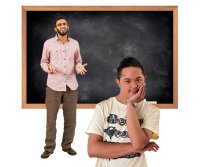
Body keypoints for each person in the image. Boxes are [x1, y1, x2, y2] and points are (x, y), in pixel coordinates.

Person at [86, 57, 160, 167]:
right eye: (127, 81)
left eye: (138, 80)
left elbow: (139, 143)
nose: (134, 85)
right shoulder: (103, 107)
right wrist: (135, 148)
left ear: (145, 80)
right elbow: (92, 150)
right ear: (118, 82)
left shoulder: (151, 110)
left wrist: (130, 104)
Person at [40, 17, 87, 159]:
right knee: (51, 120)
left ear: (68, 26)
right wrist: (48, 67)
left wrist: (79, 68)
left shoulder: (75, 43)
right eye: (59, 24)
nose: (62, 26)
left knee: (71, 120)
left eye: (64, 24)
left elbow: (78, 61)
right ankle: (49, 148)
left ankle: (67, 146)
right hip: (53, 86)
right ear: (56, 28)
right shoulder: (48, 43)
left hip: (71, 86)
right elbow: (43, 61)